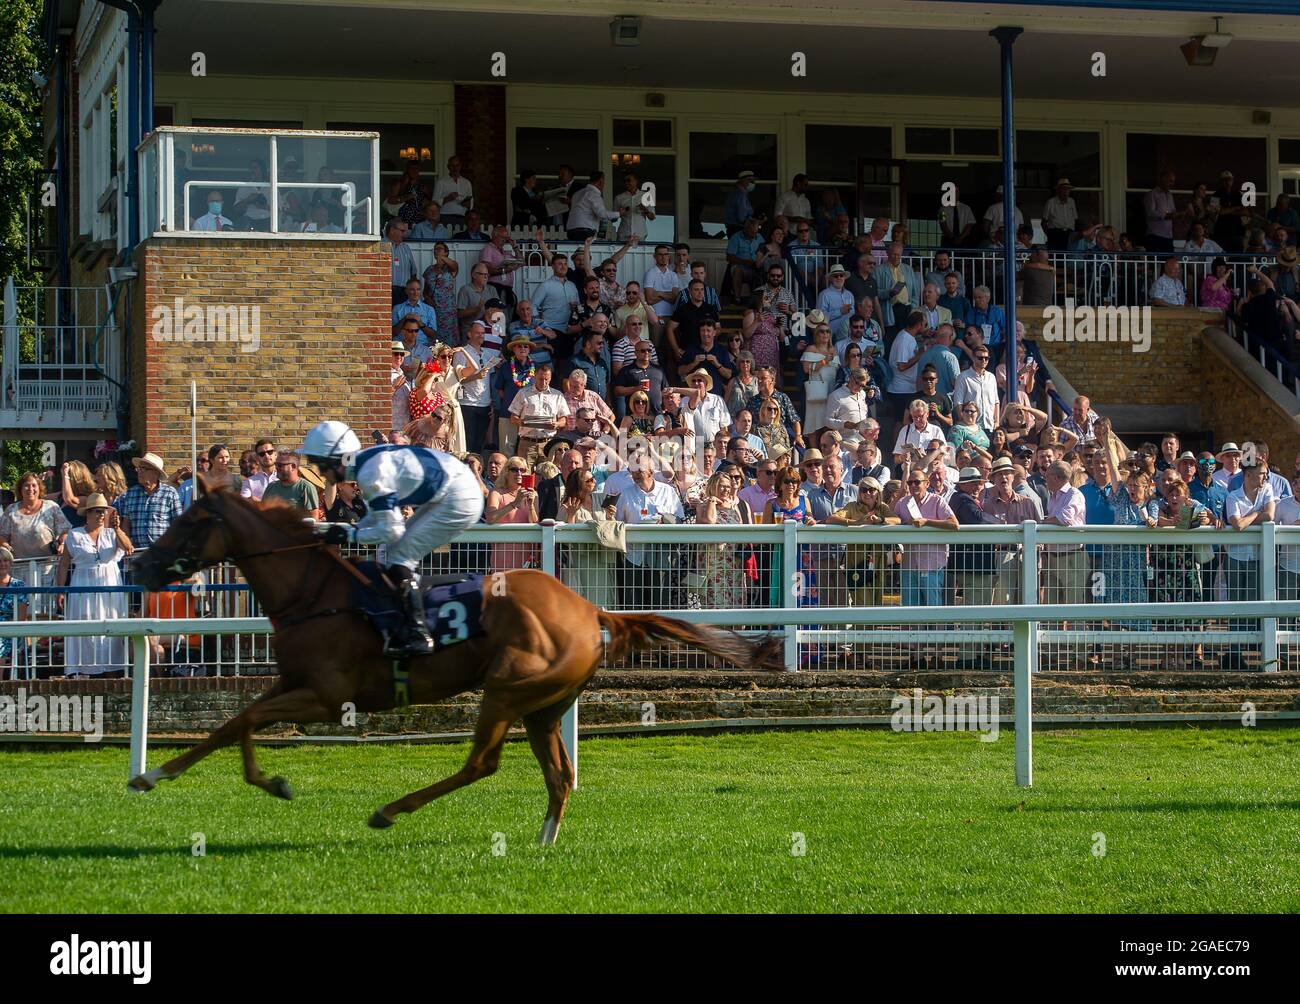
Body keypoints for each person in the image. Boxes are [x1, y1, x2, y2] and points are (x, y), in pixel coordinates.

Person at [303, 421, 486, 656]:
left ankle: (418, 633)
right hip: (450, 490)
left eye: (322, 465)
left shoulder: (370, 473)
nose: (321, 472)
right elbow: (376, 521)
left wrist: (348, 534)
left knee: (398, 556)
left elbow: (391, 531)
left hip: (459, 496)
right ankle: (406, 619)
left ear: (338, 459)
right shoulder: (365, 464)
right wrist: (343, 531)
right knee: (389, 555)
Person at [53, 494, 134, 677]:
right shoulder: (75, 534)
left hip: (110, 586)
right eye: (97, 511)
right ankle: (83, 673)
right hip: (82, 585)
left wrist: (117, 528)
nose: (101, 515)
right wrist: (60, 591)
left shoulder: (112, 533)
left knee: (111, 626)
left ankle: (113, 674)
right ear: (88, 513)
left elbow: (129, 548)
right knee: (84, 627)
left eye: (104, 511)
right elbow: (64, 563)